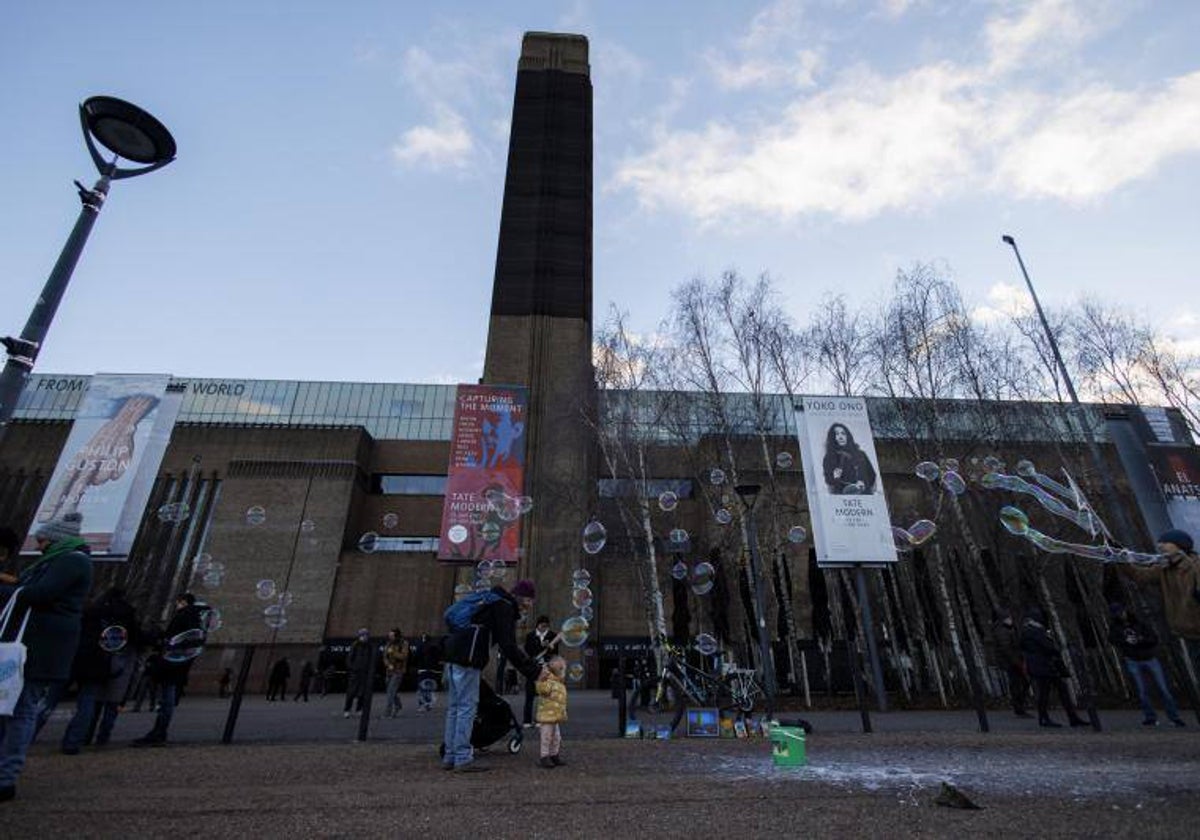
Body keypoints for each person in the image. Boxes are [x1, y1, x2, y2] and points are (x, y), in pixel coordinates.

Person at [0, 512, 93, 803]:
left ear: (56, 539)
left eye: (42, 539)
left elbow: (39, 594)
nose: (38, 545)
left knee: (22, 710)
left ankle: (6, 777)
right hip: (27, 645)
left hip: (43, 648)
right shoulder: (55, 561)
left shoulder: (73, 561)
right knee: (9, 708)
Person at [442, 579, 544, 773]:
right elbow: (509, 646)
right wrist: (534, 671)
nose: (530, 605)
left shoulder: (491, 601)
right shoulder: (504, 606)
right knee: (466, 707)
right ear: (522, 597)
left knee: (455, 707)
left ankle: (450, 756)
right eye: (530, 600)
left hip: (454, 655)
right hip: (469, 659)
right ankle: (462, 758)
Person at [61, 585, 139, 754]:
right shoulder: (126, 614)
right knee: (99, 702)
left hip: (79, 658)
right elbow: (134, 636)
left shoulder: (91, 610)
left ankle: (81, 737)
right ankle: (83, 740)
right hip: (104, 663)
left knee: (51, 698)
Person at [1118, 529, 1200, 676]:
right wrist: (1121, 560)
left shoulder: (1195, 566)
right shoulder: (1163, 569)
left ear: (1180, 546)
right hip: (1188, 634)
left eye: (1166, 543)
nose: (1160, 546)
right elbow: (1139, 576)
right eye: (1160, 543)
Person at [131, 593, 206, 747]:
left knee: (166, 699)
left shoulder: (183, 616)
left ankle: (159, 732)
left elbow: (172, 639)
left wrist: (161, 638)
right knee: (168, 698)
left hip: (171, 661)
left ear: (183, 602)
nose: (176, 605)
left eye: (178, 602)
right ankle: (159, 732)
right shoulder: (197, 619)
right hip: (181, 662)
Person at [1108, 602, 1186, 727]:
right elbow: (1112, 640)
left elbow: (1153, 638)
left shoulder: (1140, 623)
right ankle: (1150, 716)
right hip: (1132, 658)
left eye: (1121, 612)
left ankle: (1174, 716)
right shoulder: (1115, 627)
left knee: (1163, 689)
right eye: (1117, 614)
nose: (1120, 615)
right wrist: (1125, 642)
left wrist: (1140, 640)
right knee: (1142, 691)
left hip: (1148, 657)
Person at [1020, 608, 1087, 729]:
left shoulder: (1030, 631)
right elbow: (1047, 646)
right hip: (1042, 664)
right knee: (1049, 691)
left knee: (1053, 690)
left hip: (1042, 664)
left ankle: (1066, 717)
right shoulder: (1035, 631)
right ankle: (1051, 718)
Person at [989, 610, 1031, 718]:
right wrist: (1017, 662)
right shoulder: (1002, 631)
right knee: (1018, 684)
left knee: (1020, 683)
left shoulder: (1007, 629)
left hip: (1012, 661)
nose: (1010, 620)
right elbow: (1006, 649)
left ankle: (1019, 706)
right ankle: (1019, 707)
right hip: (1011, 662)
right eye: (1008, 618)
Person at [523, 615, 559, 726]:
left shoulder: (553, 635)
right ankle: (527, 721)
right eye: (542, 626)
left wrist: (551, 647)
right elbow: (528, 650)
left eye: (546, 626)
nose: (544, 628)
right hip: (533, 669)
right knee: (529, 695)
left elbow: (556, 653)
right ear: (537, 625)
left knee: (543, 696)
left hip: (546, 669)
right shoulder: (530, 636)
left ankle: (540, 719)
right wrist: (540, 646)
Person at [822, 423, 877, 495]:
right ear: (832, 437)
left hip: (866, 499)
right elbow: (829, 481)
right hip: (842, 501)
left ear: (848, 435)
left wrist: (864, 484)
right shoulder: (829, 457)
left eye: (843, 433)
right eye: (836, 434)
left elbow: (872, 475)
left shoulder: (861, 454)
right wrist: (834, 477)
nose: (840, 437)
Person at [534, 655, 569, 769]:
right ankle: (544, 757)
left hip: (555, 716)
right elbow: (541, 690)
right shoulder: (548, 680)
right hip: (547, 716)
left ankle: (554, 755)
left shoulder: (559, 682)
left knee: (556, 737)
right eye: (562, 669)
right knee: (546, 736)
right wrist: (540, 680)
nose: (564, 671)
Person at [343, 629, 372, 718]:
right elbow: (349, 659)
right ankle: (347, 710)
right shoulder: (355, 645)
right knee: (351, 692)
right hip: (355, 672)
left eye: (366, 635)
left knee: (362, 693)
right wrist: (353, 668)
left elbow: (371, 659)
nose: (364, 637)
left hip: (364, 673)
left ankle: (359, 709)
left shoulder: (369, 647)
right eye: (363, 635)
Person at [383, 628, 410, 718]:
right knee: (390, 690)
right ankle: (398, 705)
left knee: (391, 691)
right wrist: (388, 664)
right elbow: (385, 656)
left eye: (392, 636)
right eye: (389, 635)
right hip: (389, 670)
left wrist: (394, 652)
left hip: (398, 670)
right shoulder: (388, 644)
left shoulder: (404, 644)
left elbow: (404, 656)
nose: (390, 637)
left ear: (396, 636)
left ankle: (388, 712)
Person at [414, 634, 442, 712]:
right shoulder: (435, 647)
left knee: (421, 688)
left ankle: (422, 704)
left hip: (422, 669)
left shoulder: (420, 647)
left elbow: (416, 657)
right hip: (432, 670)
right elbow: (438, 658)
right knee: (430, 687)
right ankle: (429, 703)